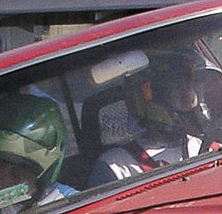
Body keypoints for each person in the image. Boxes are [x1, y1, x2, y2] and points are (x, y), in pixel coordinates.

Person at [89, 52, 213, 184]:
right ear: (144, 99)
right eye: (176, 87)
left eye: (190, 85)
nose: (190, 98)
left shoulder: (215, 148)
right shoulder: (117, 167)